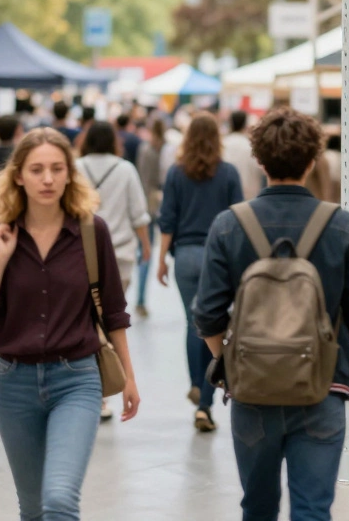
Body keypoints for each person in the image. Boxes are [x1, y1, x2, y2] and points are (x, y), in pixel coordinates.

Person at [195, 107, 349, 521]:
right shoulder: (342, 225)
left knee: (257, 507)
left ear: (259, 161)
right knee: (312, 509)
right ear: (313, 160)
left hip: (252, 390)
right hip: (323, 387)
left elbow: (207, 315)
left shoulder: (229, 225)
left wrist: (230, 359)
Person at [0, 128, 140, 520]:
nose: (47, 179)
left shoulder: (92, 231)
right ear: (18, 175)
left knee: (59, 498)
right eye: (37, 169)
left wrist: (128, 376)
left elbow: (113, 311)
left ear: (69, 174)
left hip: (76, 379)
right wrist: (1, 258)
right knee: (34, 508)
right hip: (13, 383)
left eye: (57, 169)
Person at [157, 113, 242, 432]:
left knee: (192, 323)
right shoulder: (229, 173)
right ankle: (205, 404)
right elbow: (237, 219)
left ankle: (195, 383)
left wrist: (161, 259)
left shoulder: (177, 174)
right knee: (215, 324)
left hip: (186, 257)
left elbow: (167, 219)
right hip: (218, 258)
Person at [78, 121, 152, 291]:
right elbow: (138, 213)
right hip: (120, 252)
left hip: (82, 251)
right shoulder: (126, 169)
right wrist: (146, 245)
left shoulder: (76, 167)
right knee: (115, 310)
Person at [133, 117, 167, 319]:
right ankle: (141, 300)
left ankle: (137, 298)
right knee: (147, 252)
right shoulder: (159, 152)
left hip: (141, 204)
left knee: (140, 252)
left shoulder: (144, 149)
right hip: (154, 205)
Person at [222, 110, 264, 201]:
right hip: (250, 200)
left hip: (226, 200)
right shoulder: (251, 147)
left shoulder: (222, 145)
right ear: (245, 125)